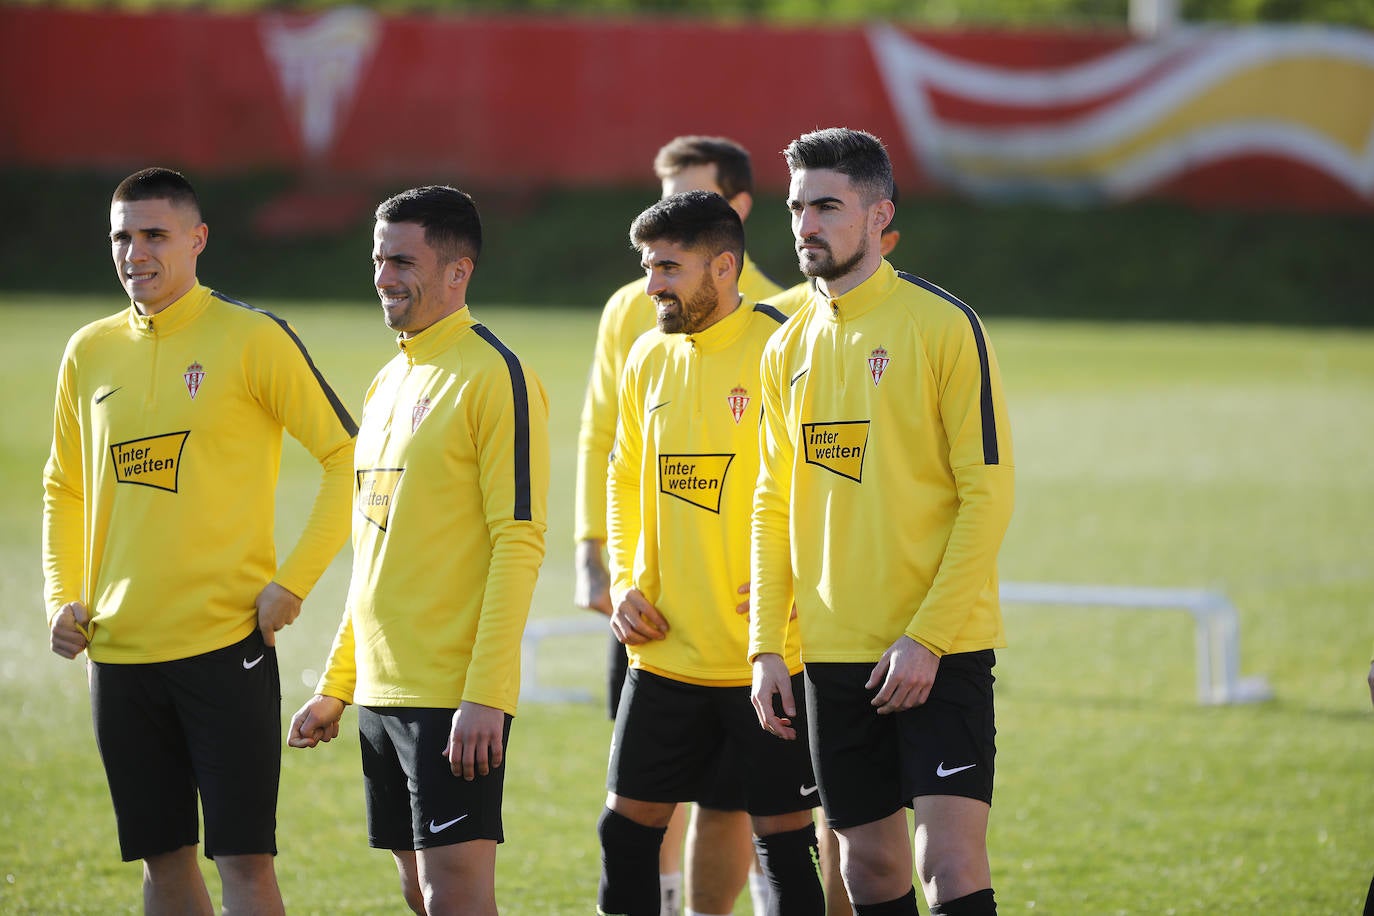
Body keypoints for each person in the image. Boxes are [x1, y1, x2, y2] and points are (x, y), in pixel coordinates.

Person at [43, 167, 357, 914]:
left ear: (198, 239)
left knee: (245, 861)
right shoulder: (88, 351)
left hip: (226, 648)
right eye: (122, 236)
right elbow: (65, 486)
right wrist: (63, 596)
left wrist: (295, 582)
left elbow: (350, 457)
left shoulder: (253, 337)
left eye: (154, 234)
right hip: (120, 655)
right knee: (163, 861)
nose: (135, 252)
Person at [749, 128, 1015, 916]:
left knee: (949, 865)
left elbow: (988, 495)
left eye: (827, 206)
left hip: (943, 646)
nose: (805, 225)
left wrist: (927, 637)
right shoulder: (784, 345)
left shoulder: (942, 326)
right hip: (832, 652)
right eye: (797, 206)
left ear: (878, 215)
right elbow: (770, 502)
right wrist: (767, 644)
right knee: (867, 869)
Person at [287, 186, 549, 916]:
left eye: (402, 260)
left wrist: (487, 695)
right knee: (416, 891)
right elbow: (375, 553)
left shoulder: (495, 374)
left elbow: (520, 540)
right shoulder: (386, 380)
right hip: (379, 691)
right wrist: (340, 683)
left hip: (449, 693)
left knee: (455, 894)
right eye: (378, 259)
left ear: (457, 272)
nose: (383, 276)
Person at [597, 190, 823, 916]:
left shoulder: (787, 348)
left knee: (785, 844)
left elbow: (828, 484)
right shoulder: (646, 357)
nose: (652, 284)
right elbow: (624, 477)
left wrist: (805, 586)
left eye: (668, 266)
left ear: (723, 267)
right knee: (625, 832)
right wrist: (628, 579)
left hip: (768, 660)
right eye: (647, 266)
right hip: (663, 655)